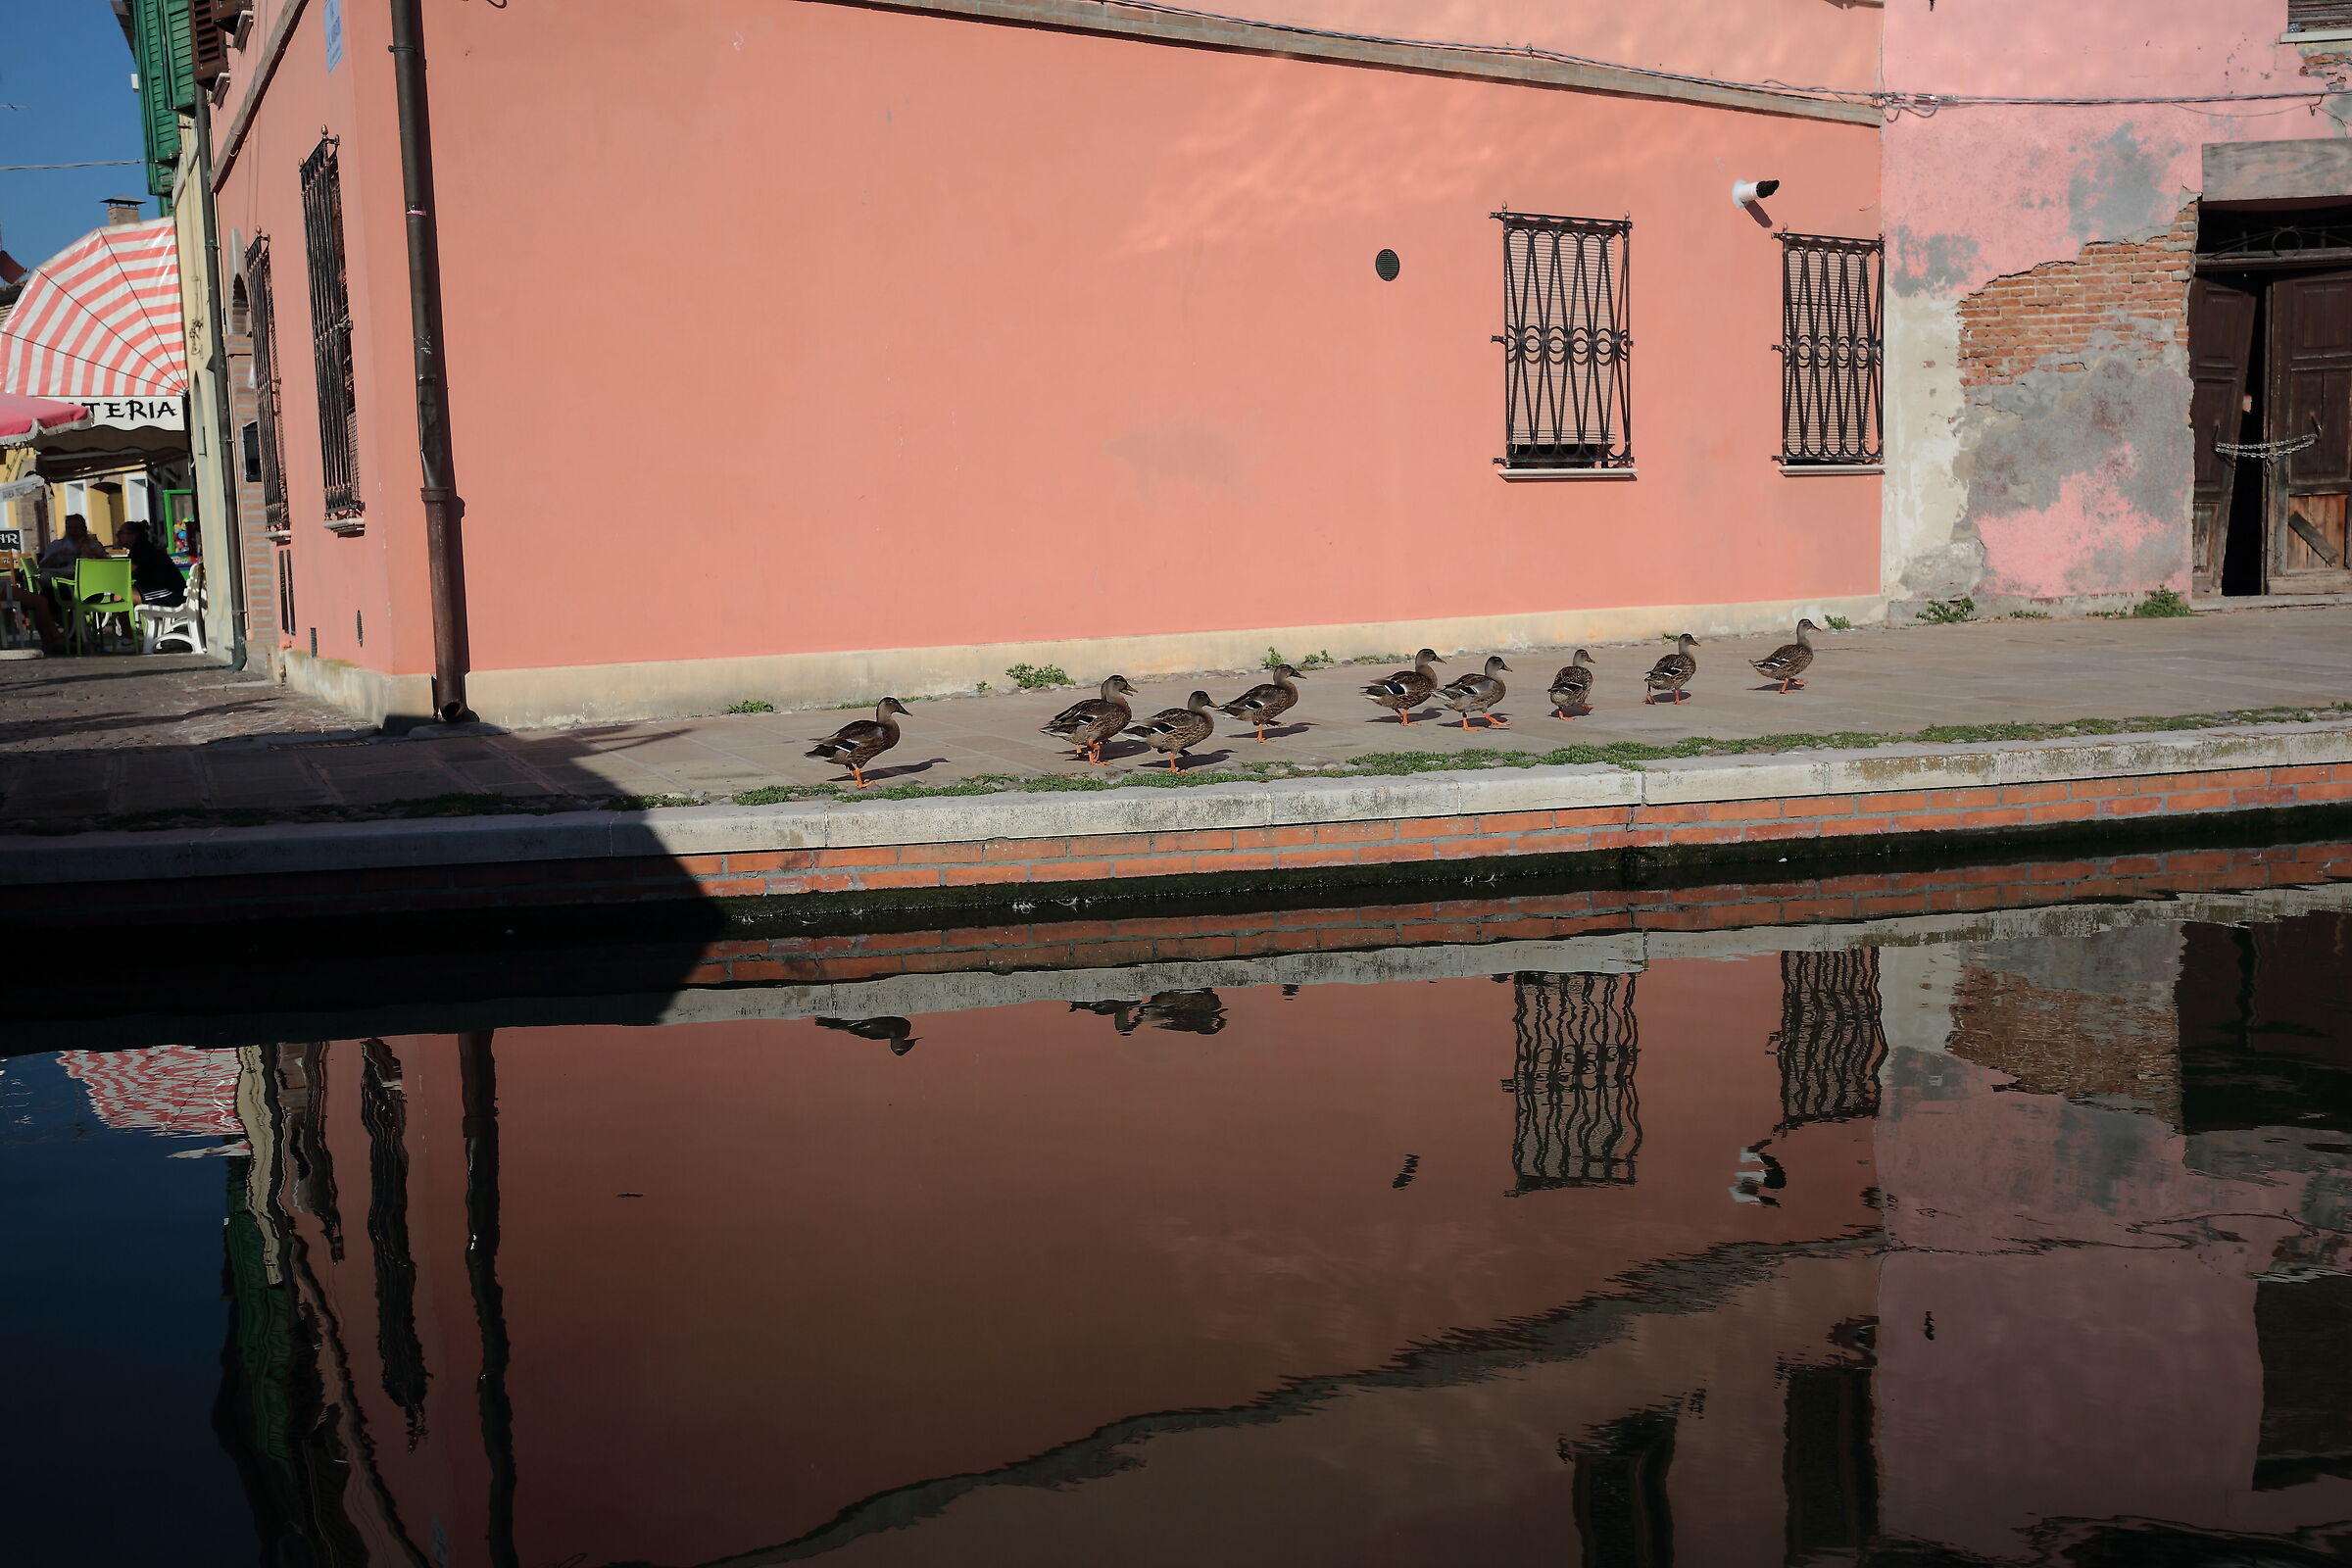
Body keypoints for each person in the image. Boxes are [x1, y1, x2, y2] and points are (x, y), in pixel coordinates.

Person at [118, 518, 185, 608]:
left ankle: (125, 622)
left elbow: (124, 573)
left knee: (120, 594)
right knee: (121, 592)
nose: (117, 535)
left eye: (120, 533)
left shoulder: (141, 549)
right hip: (171, 590)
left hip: (170, 593)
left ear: (133, 536)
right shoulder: (141, 547)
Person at [36, 514, 108, 569]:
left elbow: (109, 565)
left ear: (84, 529)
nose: (72, 531)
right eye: (69, 528)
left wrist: (95, 554)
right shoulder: (56, 545)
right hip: (62, 580)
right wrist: (56, 555)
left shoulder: (94, 545)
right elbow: (42, 566)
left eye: (76, 528)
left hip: (89, 578)